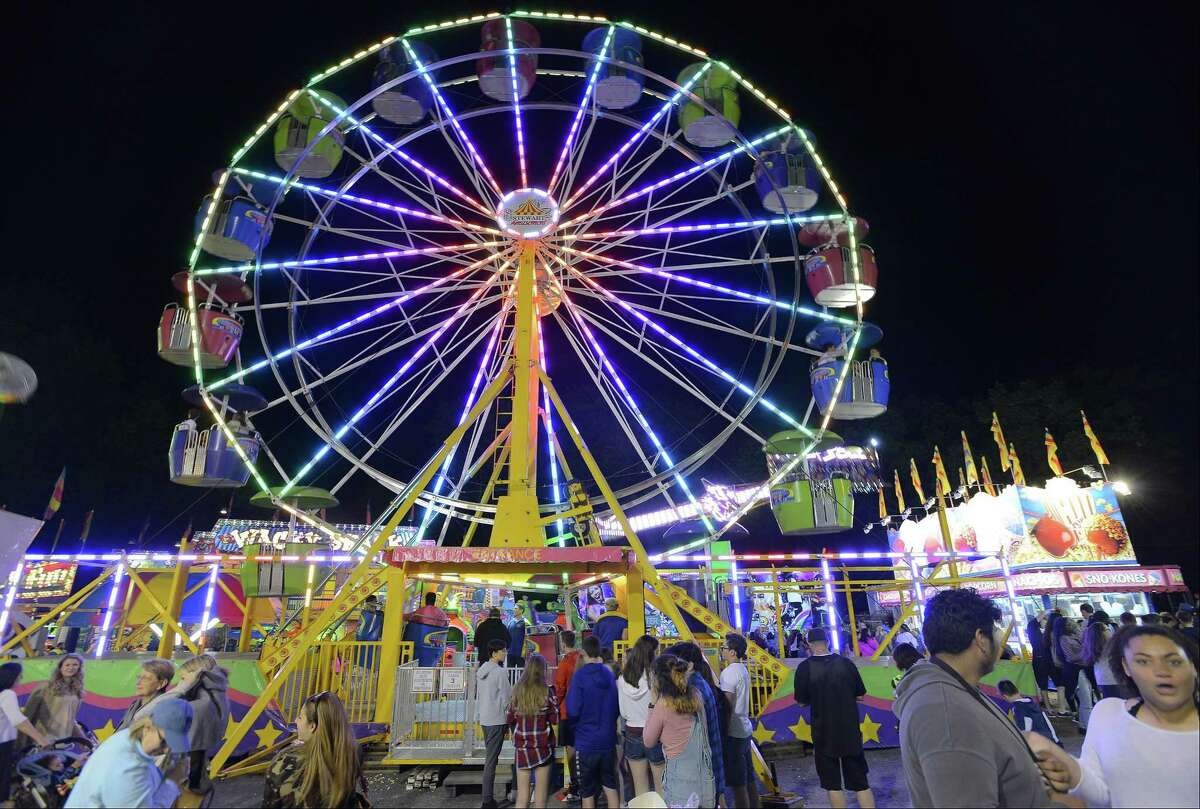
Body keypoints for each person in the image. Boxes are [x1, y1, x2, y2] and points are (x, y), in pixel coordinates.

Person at [894, 588, 1055, 807]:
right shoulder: (945, 712)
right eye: (995, 629)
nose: (999, 638)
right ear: (980, 639)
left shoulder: (955, 690)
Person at [1027, 625, 1200, 807]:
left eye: (1174, 661)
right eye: (1143, 661)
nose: (1161, 671)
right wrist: (1064, 764)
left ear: (1193, 667)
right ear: (1126, 667)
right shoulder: (1107, 713)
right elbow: (1102, 792)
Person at [794, 627, 874, 809]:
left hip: (823, 733)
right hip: (849, 731)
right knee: (861, 782)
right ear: (828, 642)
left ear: (809, 645)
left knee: (833, 785)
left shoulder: (804, 668)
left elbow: (801, 702)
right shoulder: (845, 664)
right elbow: (860, 695)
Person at [65, 698, 193, 808]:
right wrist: (172, 782)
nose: (166, 750)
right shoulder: (130, 767)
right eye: (164, 741)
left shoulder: (126, 738)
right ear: (148, 727)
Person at [262, 691, 366, 808]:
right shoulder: (354, 752)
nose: (296, 721)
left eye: (300, 717)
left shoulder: (284, 761)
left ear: (312, 726)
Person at [644, 654, 716, 808]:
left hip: (681, 785)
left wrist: (651, 704)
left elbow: (648, 741)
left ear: (658, 679)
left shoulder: (663, 705)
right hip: (705, 781)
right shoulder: (696, 695)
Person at [666, 641, 727, 804]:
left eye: (677, 662)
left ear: (690, 665)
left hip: (702, 770)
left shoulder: (693, 689)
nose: (674, 667)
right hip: (709, 765)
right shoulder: (701, 683)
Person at [566, 636, 620, 809]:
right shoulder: (609, 674)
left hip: (586, 741)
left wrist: (577, 730)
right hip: (608, 740)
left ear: (583, 652)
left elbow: (572, 709)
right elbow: (616, 707)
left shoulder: (580, 676)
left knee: (587, 792)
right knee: (611, 787)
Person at [164, 653, 229, 792]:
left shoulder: (201, 700)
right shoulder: (214, 691)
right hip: (198, 757)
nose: (181, 682)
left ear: (196, 675)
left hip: (187, 766)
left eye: (183, 678)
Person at [507, 653, 558, 809]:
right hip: (543, 747)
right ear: (543, 670)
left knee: (522, 798)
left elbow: (510, 718)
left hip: (522, 747)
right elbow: (555, 719)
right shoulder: (547, 692)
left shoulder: (517, 692)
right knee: (540, 800)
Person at [618, 635, 664, 798]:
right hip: (655, 733)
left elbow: (623, 712)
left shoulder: (623, 679)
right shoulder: (655, 678)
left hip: (632, 733)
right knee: (660, 787)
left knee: (640, 790)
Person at [1, 662, 53, 804]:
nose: (22, 677)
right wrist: (40, 739)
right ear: (13, 677)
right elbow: (18, 720)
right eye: (20, 675)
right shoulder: (7, 694)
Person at [719, 633, 758, 808]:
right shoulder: (742, 669)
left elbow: (728, 705)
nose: (722, 650)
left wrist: (723, 732)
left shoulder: (728, 673)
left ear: (733, 652)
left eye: (724, 648)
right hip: (744, 728)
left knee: (738, 784)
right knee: (749, 778)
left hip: (733, 732)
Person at [477, 639, 512, 809]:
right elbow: (507, 697)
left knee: (490, 759)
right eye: (502, 651)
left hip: (485, 718)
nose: (505, 653)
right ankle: (487, 800)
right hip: (497, 720)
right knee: (491, 761)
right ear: (494, 653)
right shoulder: (499, 672)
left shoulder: (482, 670)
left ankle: (488, 798)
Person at [21, 653, 85, 744]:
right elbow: (28, 714)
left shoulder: (77, 692)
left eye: (75, 665)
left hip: (63, 740)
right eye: (67, 665)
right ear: (60, 668)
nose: (71, 667)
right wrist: (23, 741)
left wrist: (83, 740)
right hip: (43, 740)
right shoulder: (45, 687)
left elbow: (71, 720)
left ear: (79, 668)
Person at [553, 630, 583, 802]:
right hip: (584, 711)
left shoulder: (564, 664)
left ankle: (575, 785)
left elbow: (560, 688)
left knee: (570, 750)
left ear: (563, 643)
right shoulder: (581, 659)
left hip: (567, 712)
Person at [997, 679, 1061, 746]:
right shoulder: (1033, 703)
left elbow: (1024, 736)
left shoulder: (1018, 709)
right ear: (1017, 690)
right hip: (1055, 744)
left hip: (1043, 749)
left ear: (1005, 696)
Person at [119, 659, 176, 729]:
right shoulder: (135, 704)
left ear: (162, 683)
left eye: (145, 678)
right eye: (139, 677)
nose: (138, 683)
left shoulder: (163, 711)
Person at [1052, 614, 1084, 715]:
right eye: (1069, 622)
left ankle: (1080, 712)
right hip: (1072, 668)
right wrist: (1085, 653)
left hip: (1080, 666)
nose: (1072, 623)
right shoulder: (1064, 639)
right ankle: (1076, 712)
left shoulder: (1075, 633)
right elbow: (1070, 657)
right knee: (1073, 692)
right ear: (1064, 626)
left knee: (1081, 692)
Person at [1026, 613, 1054, 708]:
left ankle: (1050, 706)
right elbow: (1032, 623)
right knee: (1043, 684)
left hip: (1047, 660)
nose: (1046, 621)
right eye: (1044, 619)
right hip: (1040, 660)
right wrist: (1045, 612)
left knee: (1055, 683)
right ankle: (1048, 706)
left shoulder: (1048, 631)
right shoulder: (1033, 630)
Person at [507, 604, 529, 668]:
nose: (514, 610)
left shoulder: (526, 622)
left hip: (521, 653)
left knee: (521, 673)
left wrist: (526, 651)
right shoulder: (510, 622)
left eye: (516, 608)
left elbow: (529, 638)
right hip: (510, 652)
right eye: (514, 608)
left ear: (521, 610)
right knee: (510, 673)